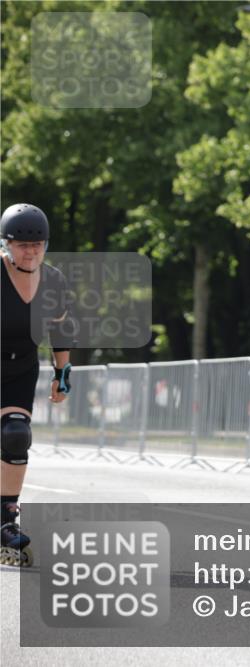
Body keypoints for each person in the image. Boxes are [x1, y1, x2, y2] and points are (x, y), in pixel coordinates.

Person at [1, 203, 74, 567]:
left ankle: (5, 521)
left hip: (19, 369)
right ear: (7, 245)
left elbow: (60, 330)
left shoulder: (54, 280)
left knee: (16, 435)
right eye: (21, 244)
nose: (30, 251)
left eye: (38, 244)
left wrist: (62, 374)